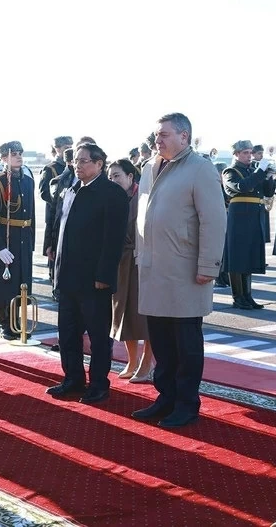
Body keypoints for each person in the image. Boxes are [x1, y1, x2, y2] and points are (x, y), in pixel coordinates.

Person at [132, 112, 226, 428]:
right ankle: (166, 397)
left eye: (164, 134)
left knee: (185, 343)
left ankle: (186, 403)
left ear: (184, 137)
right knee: (160, 341)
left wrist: (208, 266)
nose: (157, 139)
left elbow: (214, 221)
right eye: (156, 134)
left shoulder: (201, 169)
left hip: (185, 271)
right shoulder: (149, 168)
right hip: (153, 269)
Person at [45, 142, 129, 405]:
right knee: (67, 333)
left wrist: (104, 275)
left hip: (94, 279)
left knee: (97, 336)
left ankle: (99, 384)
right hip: (67, 275)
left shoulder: (111, 193)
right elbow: (59, 225)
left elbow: (114, 239)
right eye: (75, 161)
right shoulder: (71, 190)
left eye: (83, 161)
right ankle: (72, 378)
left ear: (99, 164)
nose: (77, 165)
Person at [106, 158, 154, 382]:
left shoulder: (142, 199)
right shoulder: (112, 199)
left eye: (117, 176)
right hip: (119, 262)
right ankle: (131, 360)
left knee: (143, 315)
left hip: (140, 261)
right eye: (110, 177)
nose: (113, 180)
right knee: (122, 313)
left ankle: (147, 362)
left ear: (130, 177)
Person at [0, 141, 35, 340]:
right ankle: (4, 324)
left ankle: (16, 323)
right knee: (3, 285)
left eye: (20, 153)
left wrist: (31, 241)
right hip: (7, 238)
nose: (19, 157)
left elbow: (30, 214)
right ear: (4, 158)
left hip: (22, 237)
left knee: (20, 283)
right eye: (14, 154)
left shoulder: (28, 181)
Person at [222, 140, 275, 309]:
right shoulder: (230, 171)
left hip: (253, 216)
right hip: (239, 217)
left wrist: (269, 176)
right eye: (245, 153)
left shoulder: (253, 171)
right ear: (236, 154)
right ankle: (238, 297)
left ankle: (248, 295)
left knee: (250, 255)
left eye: (250, 153)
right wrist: (260, 172)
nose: (249, 156)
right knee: (238, 257)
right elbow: (241, 187)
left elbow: (268, 192)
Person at [39, 136, 73, 284]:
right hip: (55, 215)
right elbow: (44, 192)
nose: (69, 148)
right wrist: (60, 201)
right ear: (57, 149)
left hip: (69, 214)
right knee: (54, 248)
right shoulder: (51, 168)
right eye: (66, 147)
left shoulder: (74, 166)